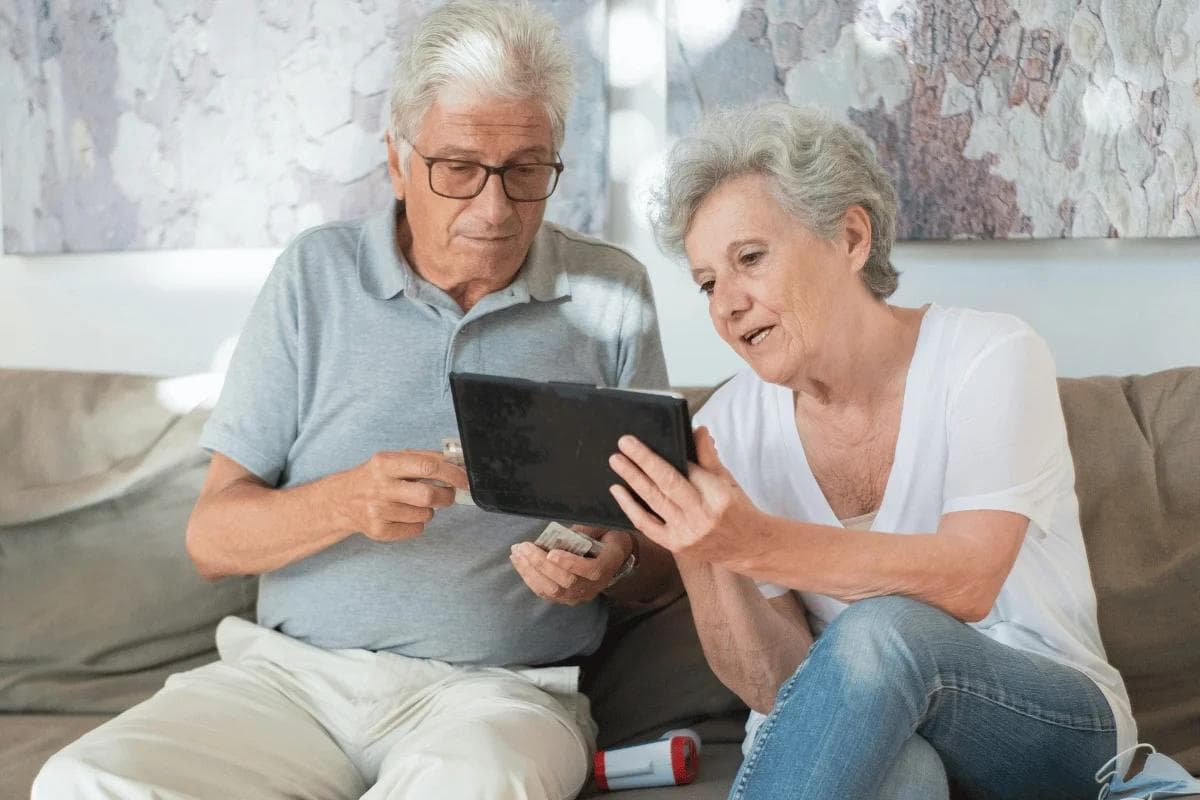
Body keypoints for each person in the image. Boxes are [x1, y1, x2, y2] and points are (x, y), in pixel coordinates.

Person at [32, 3, 679, 798]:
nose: (494, 208)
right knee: (83, 781)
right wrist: (345, 502)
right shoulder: (315, 278)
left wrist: (607, 562)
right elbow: (212, 539)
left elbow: (662, 552)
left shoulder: (610, 294)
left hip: (499, 695)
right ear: (397, 162)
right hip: (289, 687)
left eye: (526, 170)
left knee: (480, 785)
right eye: (459, 168)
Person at [606, 101, 1136, 800]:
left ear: (850, 237)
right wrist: (703, 551)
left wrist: (752, 541)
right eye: (708, 283)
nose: (725, 306)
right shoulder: (730, 424)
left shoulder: (989, 356)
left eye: (751, 259)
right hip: (875, 727)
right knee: (898, 779)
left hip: (1052, 726)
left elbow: (967, 580)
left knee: (883, 627)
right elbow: (778, 686)